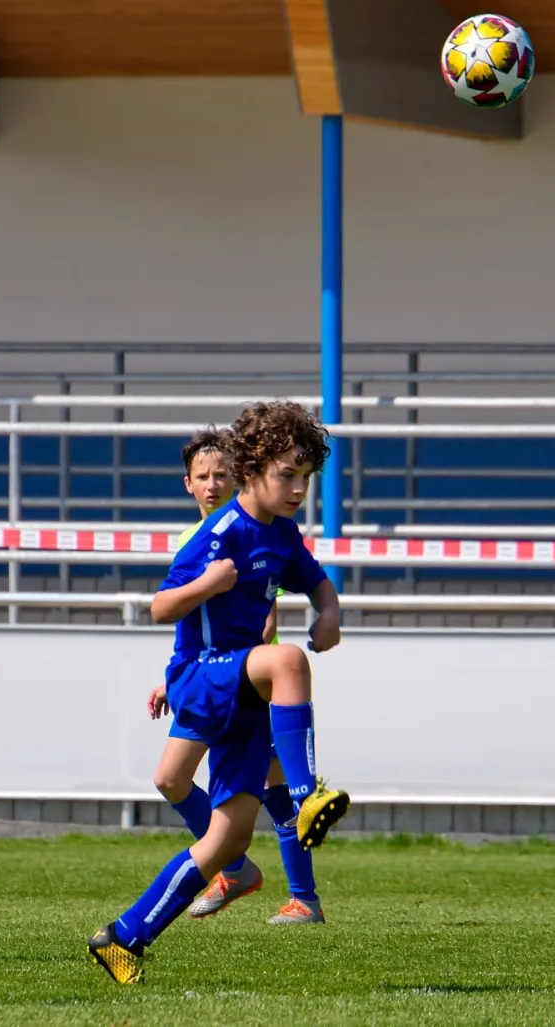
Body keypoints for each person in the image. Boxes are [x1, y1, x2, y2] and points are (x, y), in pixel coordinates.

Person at [89, 401, 351, 985]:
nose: (298, 489)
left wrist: (331, 612)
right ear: (252, 470)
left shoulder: (283, 534)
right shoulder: (218, 536)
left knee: (227, 839)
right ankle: (307, 796)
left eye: (306, 477)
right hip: (202, 675)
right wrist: (208, 583)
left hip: (244, 694)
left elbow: (318, 584)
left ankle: (123, 938)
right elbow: (161, 608)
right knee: (288, 659)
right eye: (287, 474)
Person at [147, 428, 327, 925]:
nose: (213, 484)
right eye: (203, 476)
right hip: (208, 676)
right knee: (170, 778)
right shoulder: (195, 538)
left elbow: (266, 615)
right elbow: (186, 616)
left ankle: (304, 898)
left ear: (239, 476)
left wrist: (246, 665)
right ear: (188, 483)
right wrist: (175, 678)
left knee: (275, 790)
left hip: (251, 678)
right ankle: (233, 865)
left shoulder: (259, 526)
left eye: (221, 474)